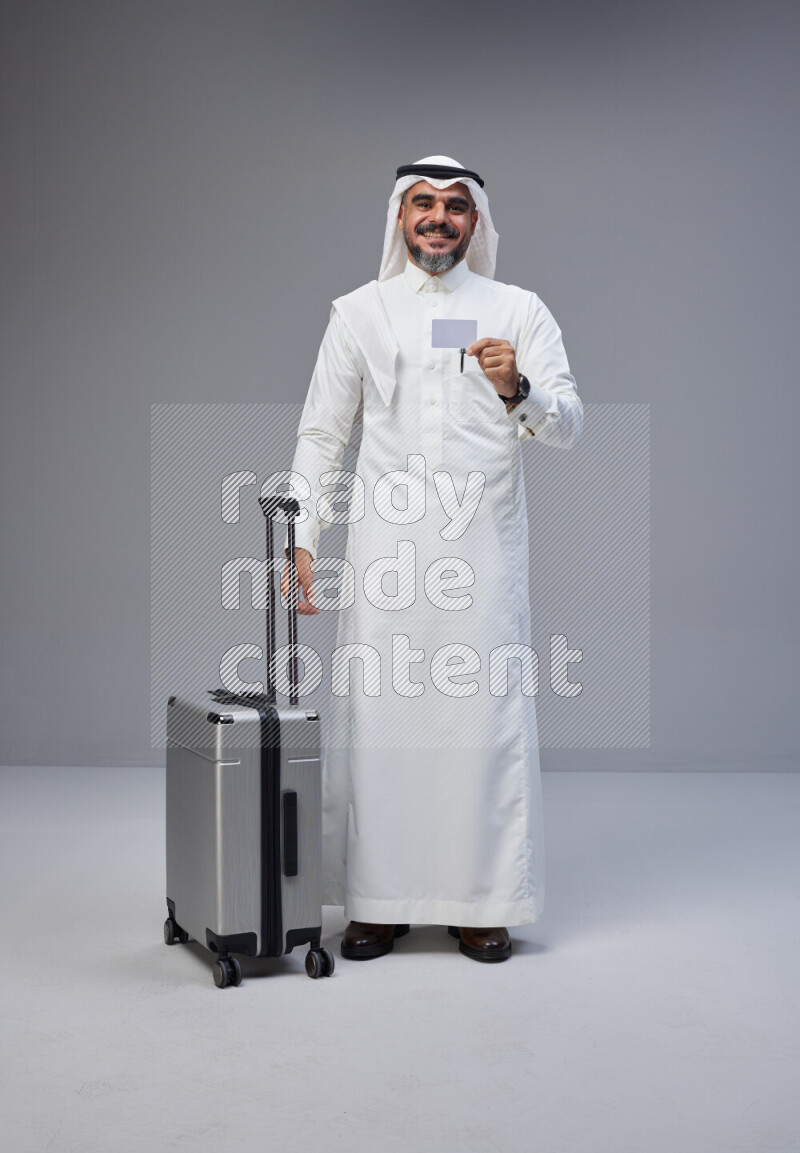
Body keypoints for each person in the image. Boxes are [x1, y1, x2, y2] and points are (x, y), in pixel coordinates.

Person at [280, 155, 583, 962]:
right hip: (387, 556)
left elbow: (569, 423)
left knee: (480, 724)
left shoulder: (518, 310)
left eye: (455, 205)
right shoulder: (360, 313)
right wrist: (302, 539)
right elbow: (321, 435)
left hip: (483, 555)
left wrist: (519, 386)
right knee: (382, 726)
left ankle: (482, 903)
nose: (439, 217)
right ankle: (378, 903)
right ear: (400, 217)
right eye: (423, 204)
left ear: (477, 221)